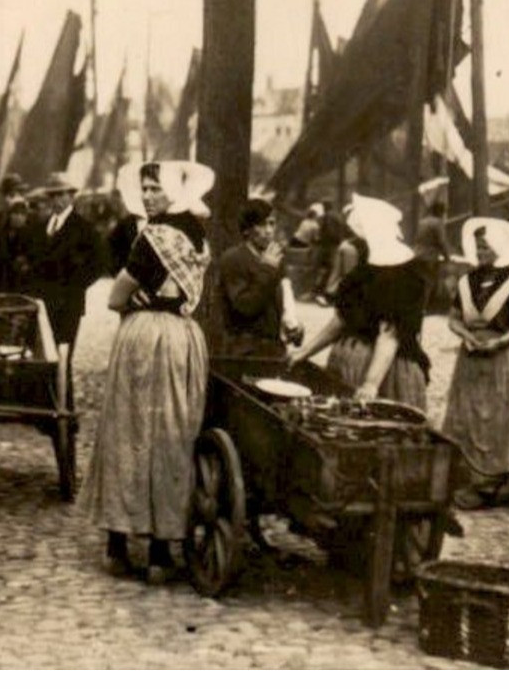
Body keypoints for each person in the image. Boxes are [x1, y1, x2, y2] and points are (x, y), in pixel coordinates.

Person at [83, 160, 214, 584]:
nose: (148, 195)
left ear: (173, 192)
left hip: (146, 339)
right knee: (173, 435)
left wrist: (131, 300)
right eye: (145, 188)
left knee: (130, 432)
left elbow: (116, 297)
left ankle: (119, 543)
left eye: (156, 188)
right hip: (183, 339)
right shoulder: (198, 236)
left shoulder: (153, 237)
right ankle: (161, 551)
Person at [286, 195, 428, 407]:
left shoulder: (407, 274)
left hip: (386, 369)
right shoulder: (365, 269)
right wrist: (304, 352)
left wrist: (370, 384)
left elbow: (389, 335)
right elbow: (341, 319)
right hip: (350, 361)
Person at [442, 217, 509, 510]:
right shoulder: (467, 281)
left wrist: (501, 341)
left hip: (505, 356)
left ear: (499, 246)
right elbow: (453, 318)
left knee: (501, 416)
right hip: (472, 355)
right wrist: (465, 336)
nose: (480, 251)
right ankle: (474, 479)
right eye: (478, 246)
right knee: (470, 416)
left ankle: (500, 480)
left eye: (485, 246)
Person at [27, 172, 102, 407]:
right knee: (43, 352)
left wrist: (75, 285)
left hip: (68, 304)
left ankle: (64, 407)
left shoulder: (83, 228)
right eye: (52, 195)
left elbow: (99, 263)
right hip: (43, 302)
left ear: (72, 196)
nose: (56, 200)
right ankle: (43, 404)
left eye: (61, 195)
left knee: (63, 356)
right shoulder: (43, 226)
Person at [213, 198, 301, 358]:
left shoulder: (275, 258)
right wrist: (267, 270)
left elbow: (283, 302)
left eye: (272, 224)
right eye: (262, 225)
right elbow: (245, 306)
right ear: (247, 230)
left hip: (274, 348)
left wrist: (294, 326)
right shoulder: (234, 258)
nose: (269, 231)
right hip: (244, 349)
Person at [0, 194, 36, 292]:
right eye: (16, 213)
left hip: (19, 283)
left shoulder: (30, 235)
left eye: (22, 214)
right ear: (10, 215)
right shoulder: (0, 233)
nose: (19, 217)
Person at [413, 195, 449, 313]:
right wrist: (447, 256)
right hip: (428, 257)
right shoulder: (437, 223)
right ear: (440, 212)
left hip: (416, 254)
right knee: (427, 282)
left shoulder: (422, 222)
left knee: (417, 282)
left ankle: (416, 306)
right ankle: (423, 308)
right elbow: (441, 241)